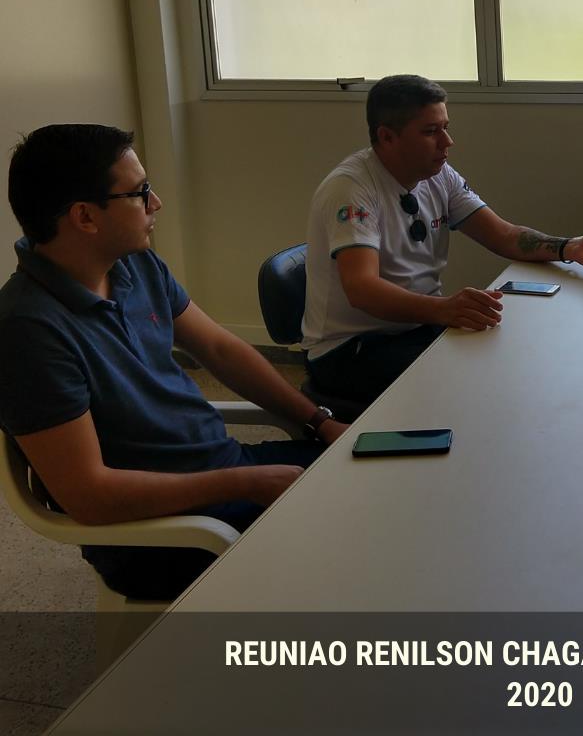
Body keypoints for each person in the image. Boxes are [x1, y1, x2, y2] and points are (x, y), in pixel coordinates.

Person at [0, 125, 349, 601]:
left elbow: (220, 350)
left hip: (224, 470)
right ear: (85, 216)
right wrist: (246, 482)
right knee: (361, 541)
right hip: (159, 535)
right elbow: (89, 495)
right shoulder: (27, 330)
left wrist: (318, 421)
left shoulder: (133, 264)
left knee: (380, 479)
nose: (156, 203)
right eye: (140, 192)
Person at [302, 74, 583, 408]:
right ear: (387, 137)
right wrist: (444, 309)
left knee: (512, 354)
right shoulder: (351, 189)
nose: (447, 142)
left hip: (417, 328)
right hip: (350, 350)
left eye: (445, 127)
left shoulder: (439, 176)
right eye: (431, 132)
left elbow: (504, 236)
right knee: (477, 384)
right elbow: (362, 289)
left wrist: (570, 247)